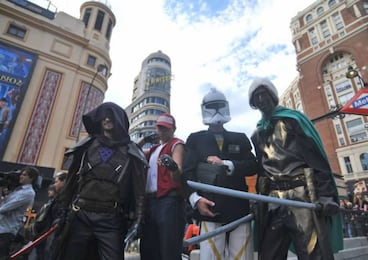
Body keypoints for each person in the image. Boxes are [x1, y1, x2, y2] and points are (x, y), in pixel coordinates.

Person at [248, 78, 343, 260]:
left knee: (312, 253)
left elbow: (316, 160)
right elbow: (262, 172)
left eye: (264, 94)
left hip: (302, 196)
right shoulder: (257, 133)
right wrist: (258, 202)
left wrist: (326, 195)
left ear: (273, 96)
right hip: (274, 200)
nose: (261, 99)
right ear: (253, 103)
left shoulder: (293, 120)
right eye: (256, 96)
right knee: (269, 254)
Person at [50, 102, 147, 259]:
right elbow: (70, 182)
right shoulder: (86, 146)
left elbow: (139, 191)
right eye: (104, 117)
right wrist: (61, 210)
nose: (107, 120)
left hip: (111, 219)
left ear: (119, 121)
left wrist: (138, 222)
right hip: (80, 215)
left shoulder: (131, 152)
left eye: (111, 117)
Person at [182, 87, 257, 260]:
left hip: (239, 209)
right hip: (210, 208)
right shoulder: (195, 139)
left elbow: (253, 165)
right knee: (210, 257)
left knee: (242, 256)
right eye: (212, 106)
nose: (216, 110)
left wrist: (227, 164)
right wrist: (196, 200)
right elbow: (187, 173)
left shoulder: (240, 138)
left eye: (219, 105)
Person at [139, 113, 186, 260]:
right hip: (151, 201)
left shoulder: (176, 144)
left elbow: (178, 170)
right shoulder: (154, 149)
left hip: (169, 200)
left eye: (165, 129)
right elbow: (132, 151)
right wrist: (143, 140)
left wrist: (172, 167)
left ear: (173, 129)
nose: (162, 132)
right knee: (148, 246)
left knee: (168, 247)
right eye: (160, 128)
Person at [0, 166, 39, 258]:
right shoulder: (18, 190)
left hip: (6, 231)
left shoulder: (28, 193)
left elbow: (4, 208)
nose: (21, 176)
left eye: (24, 175)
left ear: (31, 178)